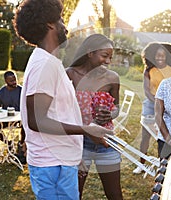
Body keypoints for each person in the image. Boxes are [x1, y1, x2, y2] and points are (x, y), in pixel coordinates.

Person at [13, 1, 113, 199]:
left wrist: (74, 154)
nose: (64, 26)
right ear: (50, 24)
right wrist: (86, 130)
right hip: (52, 165)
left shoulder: (51, 62)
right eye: (60, 19)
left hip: (61, 160)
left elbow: (59, 113)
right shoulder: (45, 64)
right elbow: (37, 121)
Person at [66, 34, 122, 200]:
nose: (108, 61)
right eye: (104, 56)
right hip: (79, 142)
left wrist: (110, 114)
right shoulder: (70, 75)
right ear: (90, 52)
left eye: (110, 57)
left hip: (106, 141)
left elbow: (117, 107)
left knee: (115, 195)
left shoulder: (112, 78)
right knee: (75, 194)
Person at [133, 42, 171, 174]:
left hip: (169, 105)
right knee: (145, 136)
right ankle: (141, 165)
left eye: (163, 56)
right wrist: (158, 103)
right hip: (151, 105)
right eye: (157, 56)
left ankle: (163, 165)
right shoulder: (148, 71)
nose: (160, 58)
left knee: (164, 136)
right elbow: (147, 91)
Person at [0, 71, 26, 164]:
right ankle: (8, 143)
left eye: (15, 80)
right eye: (11, 81)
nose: (14, 82)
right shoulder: (1, 93)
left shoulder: (22, 90)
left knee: (26, 124)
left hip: (20, 119)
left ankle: (21, 144)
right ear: (6, 81)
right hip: (5, 119)